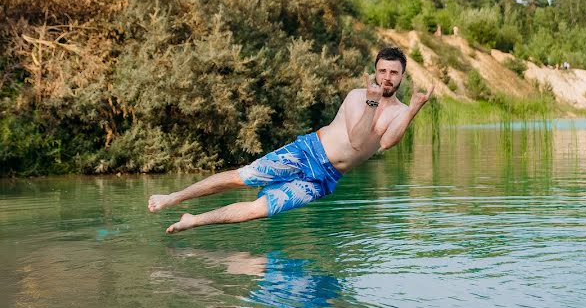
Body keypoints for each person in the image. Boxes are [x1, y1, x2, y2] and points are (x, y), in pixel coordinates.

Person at [148, 47, 434, 233]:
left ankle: (193, 220)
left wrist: (413, 109)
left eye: (393, 73)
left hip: (324, 178)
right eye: (382, 71)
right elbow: (359, 141)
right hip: (307, 152)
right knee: (242, 177)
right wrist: (372, 103)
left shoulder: (399, 111)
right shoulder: (358, 97)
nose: (386, 77)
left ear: (402, 77)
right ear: (374, 71)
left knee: (257, 210)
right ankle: (172, 198)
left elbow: (387, 143)